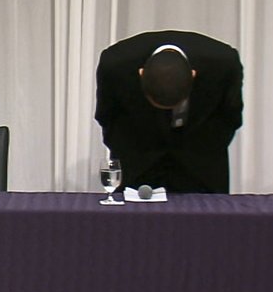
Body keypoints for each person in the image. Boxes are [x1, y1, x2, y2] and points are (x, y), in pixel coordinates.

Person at [95, 30, 243, 194]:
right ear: (140, 74)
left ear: (193, 75)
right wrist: (131, 150)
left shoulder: (224, 64)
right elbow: (106, 115)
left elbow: (231, 115)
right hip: (136, 160)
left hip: (203, 165)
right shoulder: (115, 64)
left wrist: (204, 150)